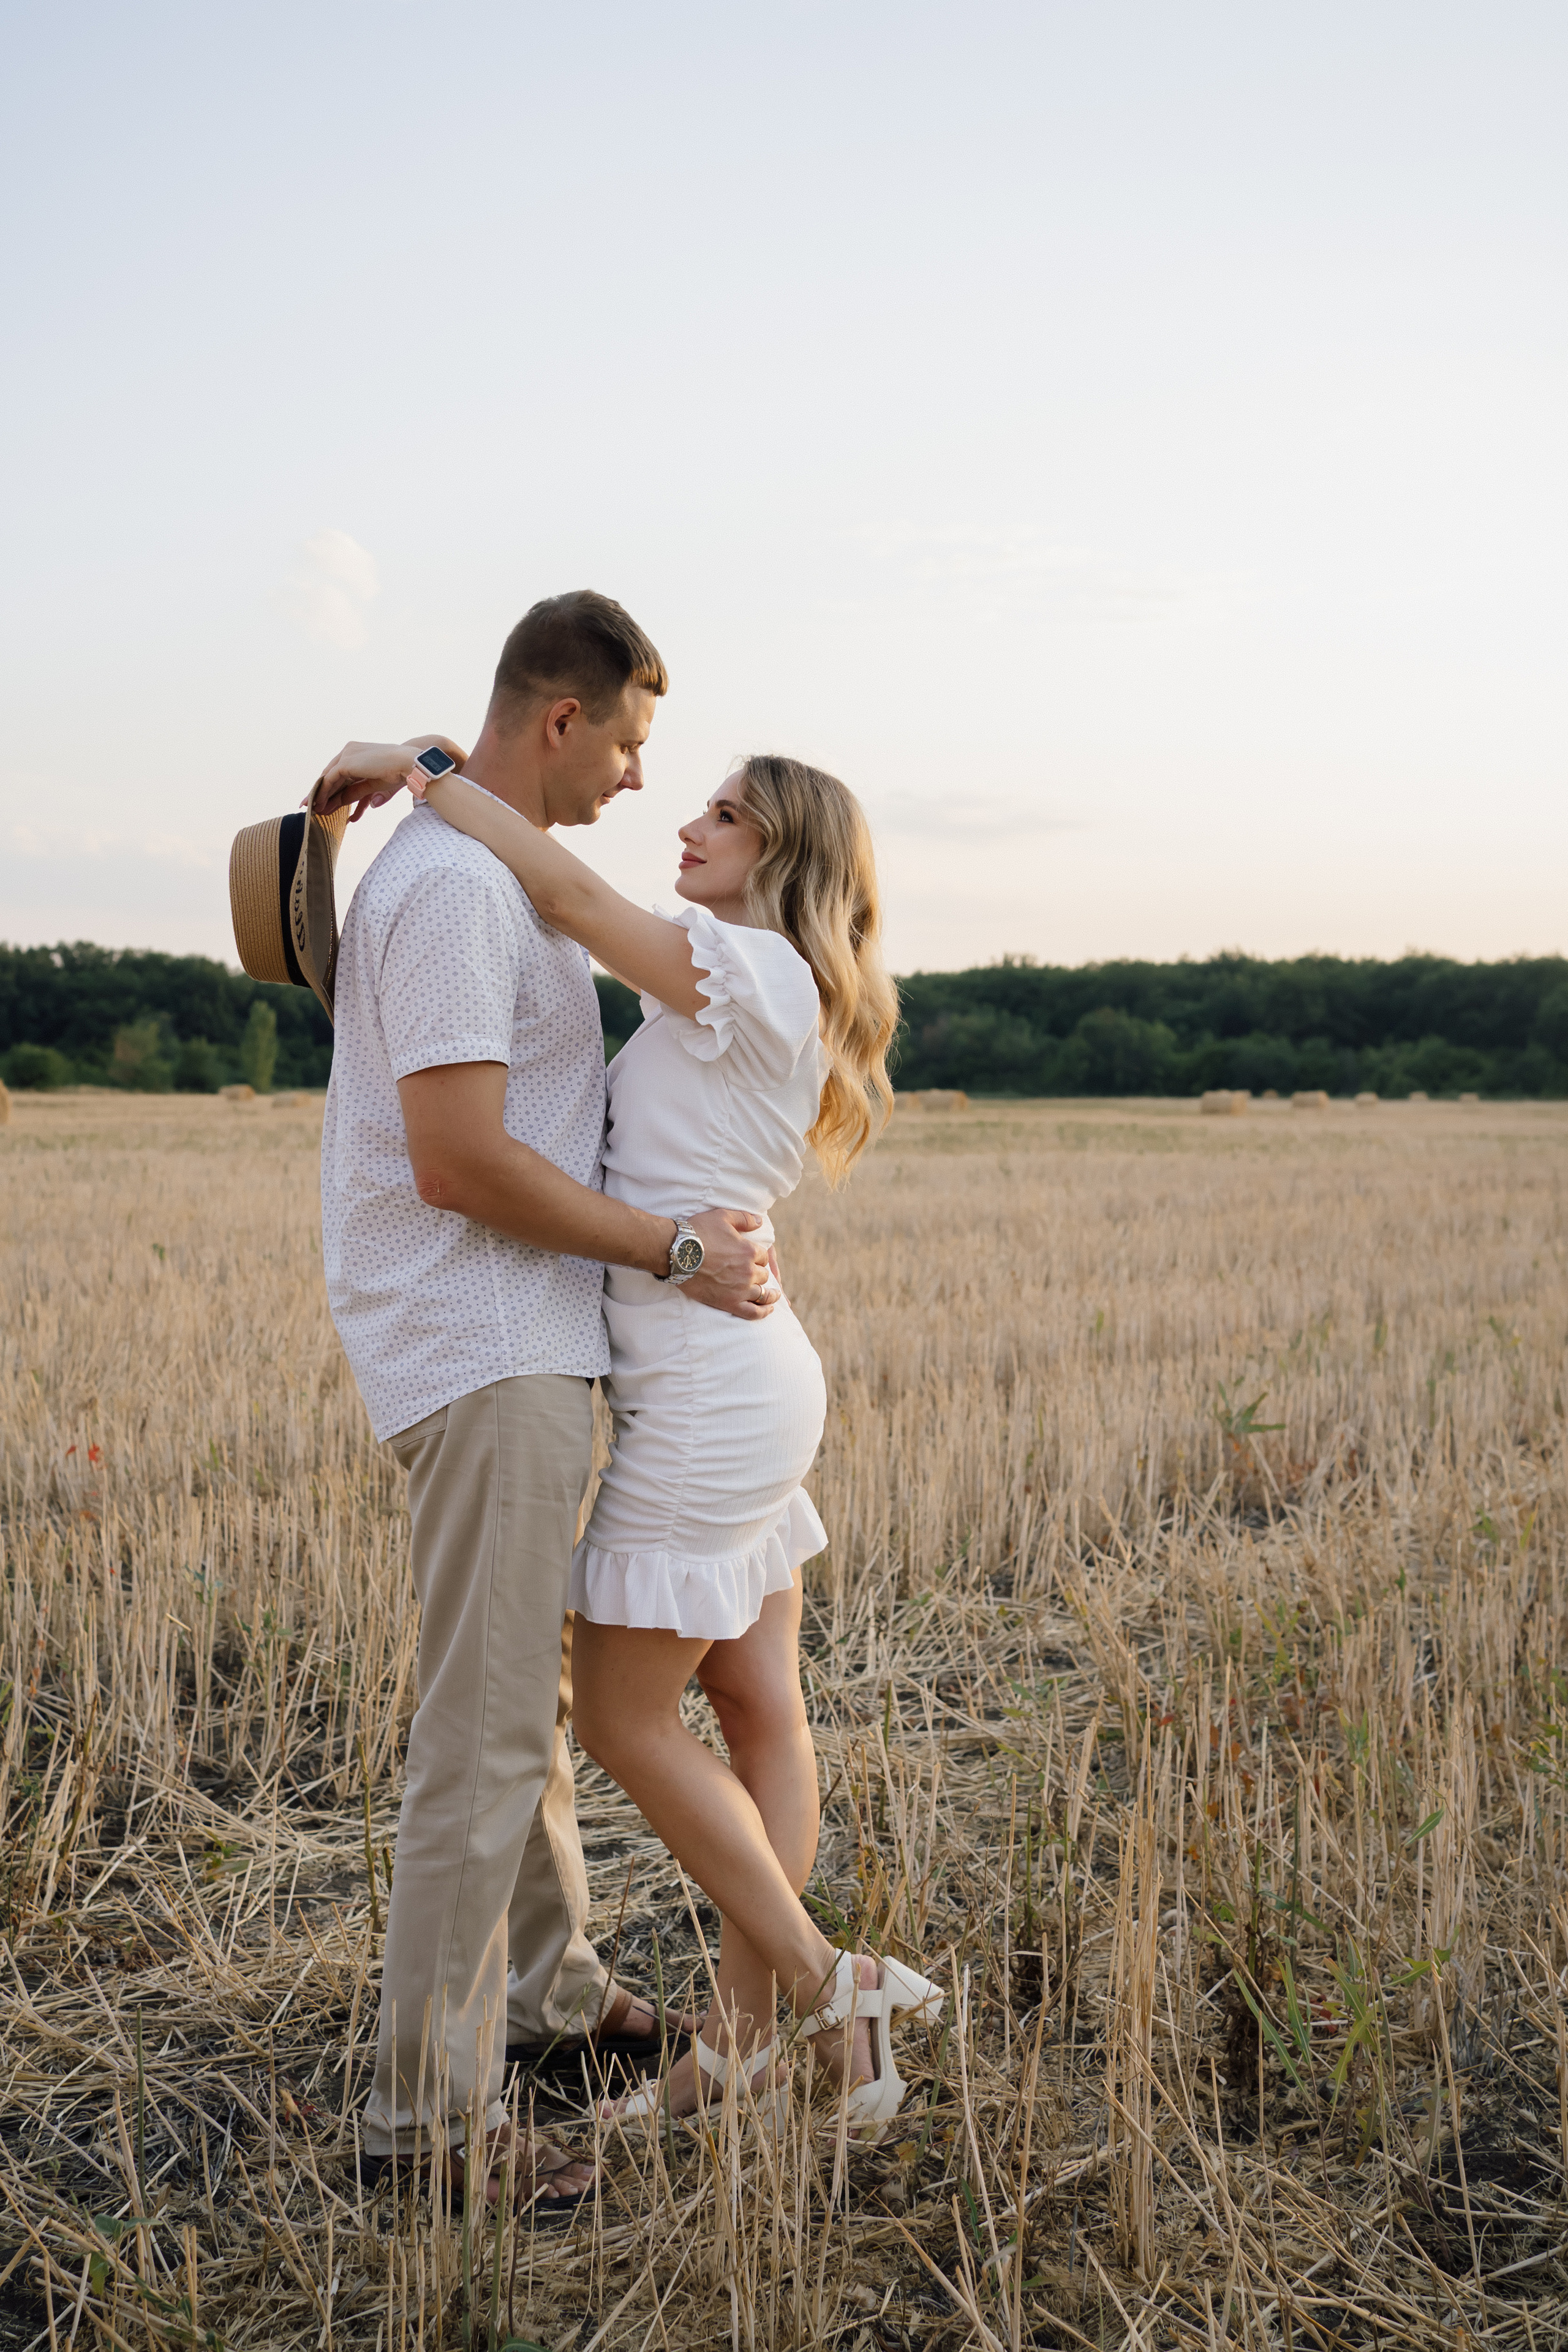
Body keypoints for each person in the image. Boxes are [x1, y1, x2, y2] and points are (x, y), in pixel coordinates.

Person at [366, 737, 946, 2139]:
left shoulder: (744, 966)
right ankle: (736, 2053)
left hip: (703, 1394)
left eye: (725, 815)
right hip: (741, 1372)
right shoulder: (751, 985)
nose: (687, 824)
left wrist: (428, 771)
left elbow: (566, 897)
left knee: (622, 1717)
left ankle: (824, 1985)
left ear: (784, 855)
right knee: (756, 1707)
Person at [314, 592, 781, 2211]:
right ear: (564, 719)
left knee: (513, 1708)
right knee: (487, 1737)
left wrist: (420, 764)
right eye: (632, 745)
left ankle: (550, 2004)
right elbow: (457, 1160)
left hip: (506, 1342)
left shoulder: (480, 865)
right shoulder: (458, 891)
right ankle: (426, 2129)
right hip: (485, 1342)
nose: (641, 781)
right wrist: (670, 1249)